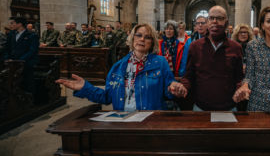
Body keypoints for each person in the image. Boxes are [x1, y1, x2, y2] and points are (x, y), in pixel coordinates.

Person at [56, 23, 185, 111]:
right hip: (122, 120)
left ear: (152, 43)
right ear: (132, 38)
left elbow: (169, 90)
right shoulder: (118, 66)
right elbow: (107, 97)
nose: (142, 39)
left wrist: (174, 88)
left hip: (150, 120)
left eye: (147, 37)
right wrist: (85, 87)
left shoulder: (160, 62)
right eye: (138, 35)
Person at [174, 6, 247, 111]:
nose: (215, 22)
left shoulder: (235, 47)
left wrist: (241, 89)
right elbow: (189, 75)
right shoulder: (195, 46)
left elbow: (238, 78)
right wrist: (182, 87)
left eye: (219, 18)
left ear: (226, 23)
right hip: (200, 107)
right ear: (207, 22)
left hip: (229, 107)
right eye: (211, 18)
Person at [2, 17, 39, 95]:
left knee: (27, 81)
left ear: (19, 24)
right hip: (11, 63)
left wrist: (20, 60)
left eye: (12, 23)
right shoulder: (11, 34)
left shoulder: (32, 35)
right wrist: (7, 58)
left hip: (26, 62)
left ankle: (29, 98)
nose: (11, 25)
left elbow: (32, 50)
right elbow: (7, 48)